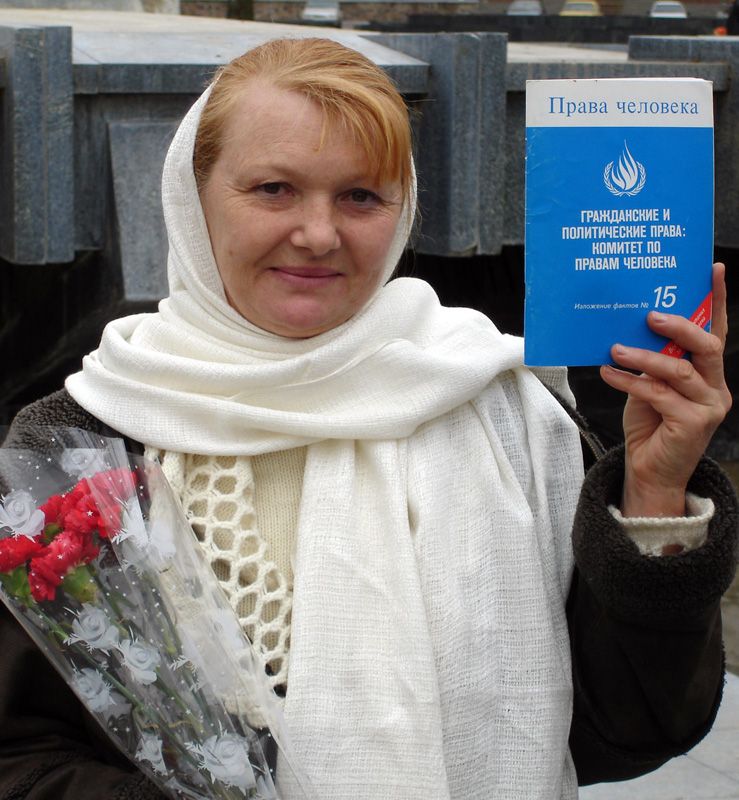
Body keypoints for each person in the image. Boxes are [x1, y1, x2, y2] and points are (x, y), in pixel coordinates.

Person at [1, 36, 736, 800]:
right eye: (274, 189)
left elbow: (627, 729)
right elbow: (21, 757)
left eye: (360, 196)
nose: (318, 234)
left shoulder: (503, 406)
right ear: (193, 196)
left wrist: (654, 492)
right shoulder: (82, 440)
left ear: (402, 207)